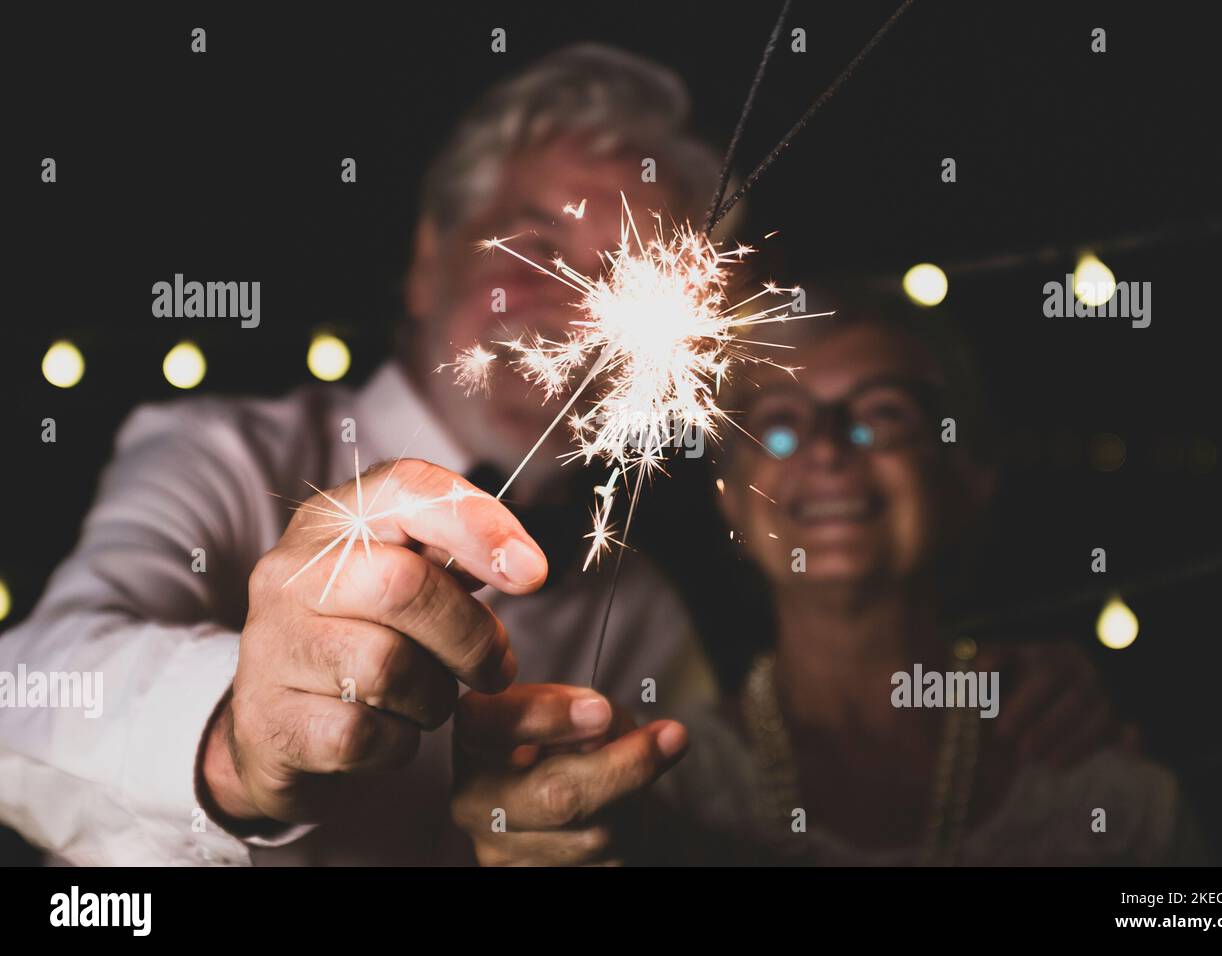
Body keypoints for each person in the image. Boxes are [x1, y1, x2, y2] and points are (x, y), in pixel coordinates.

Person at [0, 44, 719, 866]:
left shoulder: (643, 611)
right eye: (537, 249)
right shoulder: (219, 451)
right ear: (425, 261)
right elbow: (20, 693)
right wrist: (237, 742)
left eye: (621, 275)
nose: (576, 314)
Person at [450, 285, 1205, 865]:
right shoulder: (655, 788)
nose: (829, 451)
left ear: (966, 474)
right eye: (778, 423)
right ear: (733, 503)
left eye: (882, 416)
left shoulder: (1104, 791)